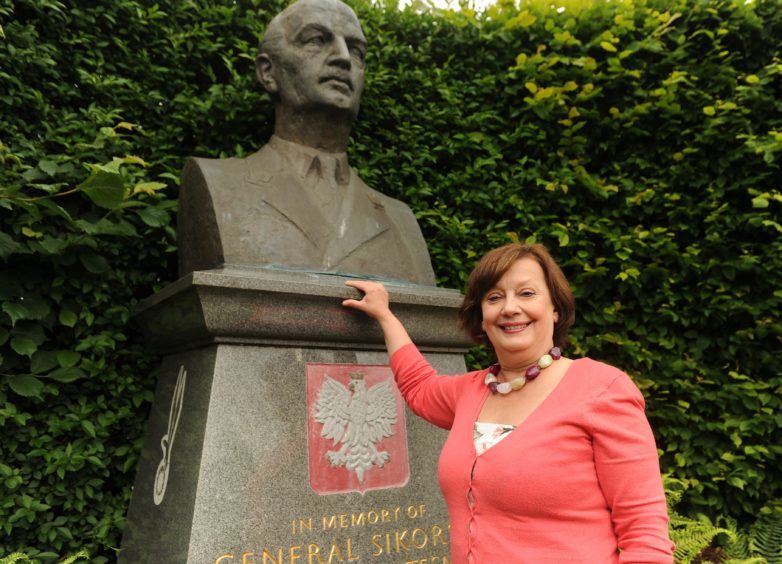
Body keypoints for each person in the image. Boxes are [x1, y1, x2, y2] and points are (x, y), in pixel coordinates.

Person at [342, 242, 675, 563]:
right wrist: (386, 317)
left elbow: (644, 532)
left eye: (527, 293)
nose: (510, 307)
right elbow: (419, 386)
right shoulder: (471, 391)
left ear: (555, 309)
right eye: (494, 297)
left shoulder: (602, 390)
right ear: (482, 317)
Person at [176, 0, 435, 284]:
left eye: (357, 50)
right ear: (268, 72)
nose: (344, 57)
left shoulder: (400, 219)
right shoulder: (217, 184)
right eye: (315, 40)